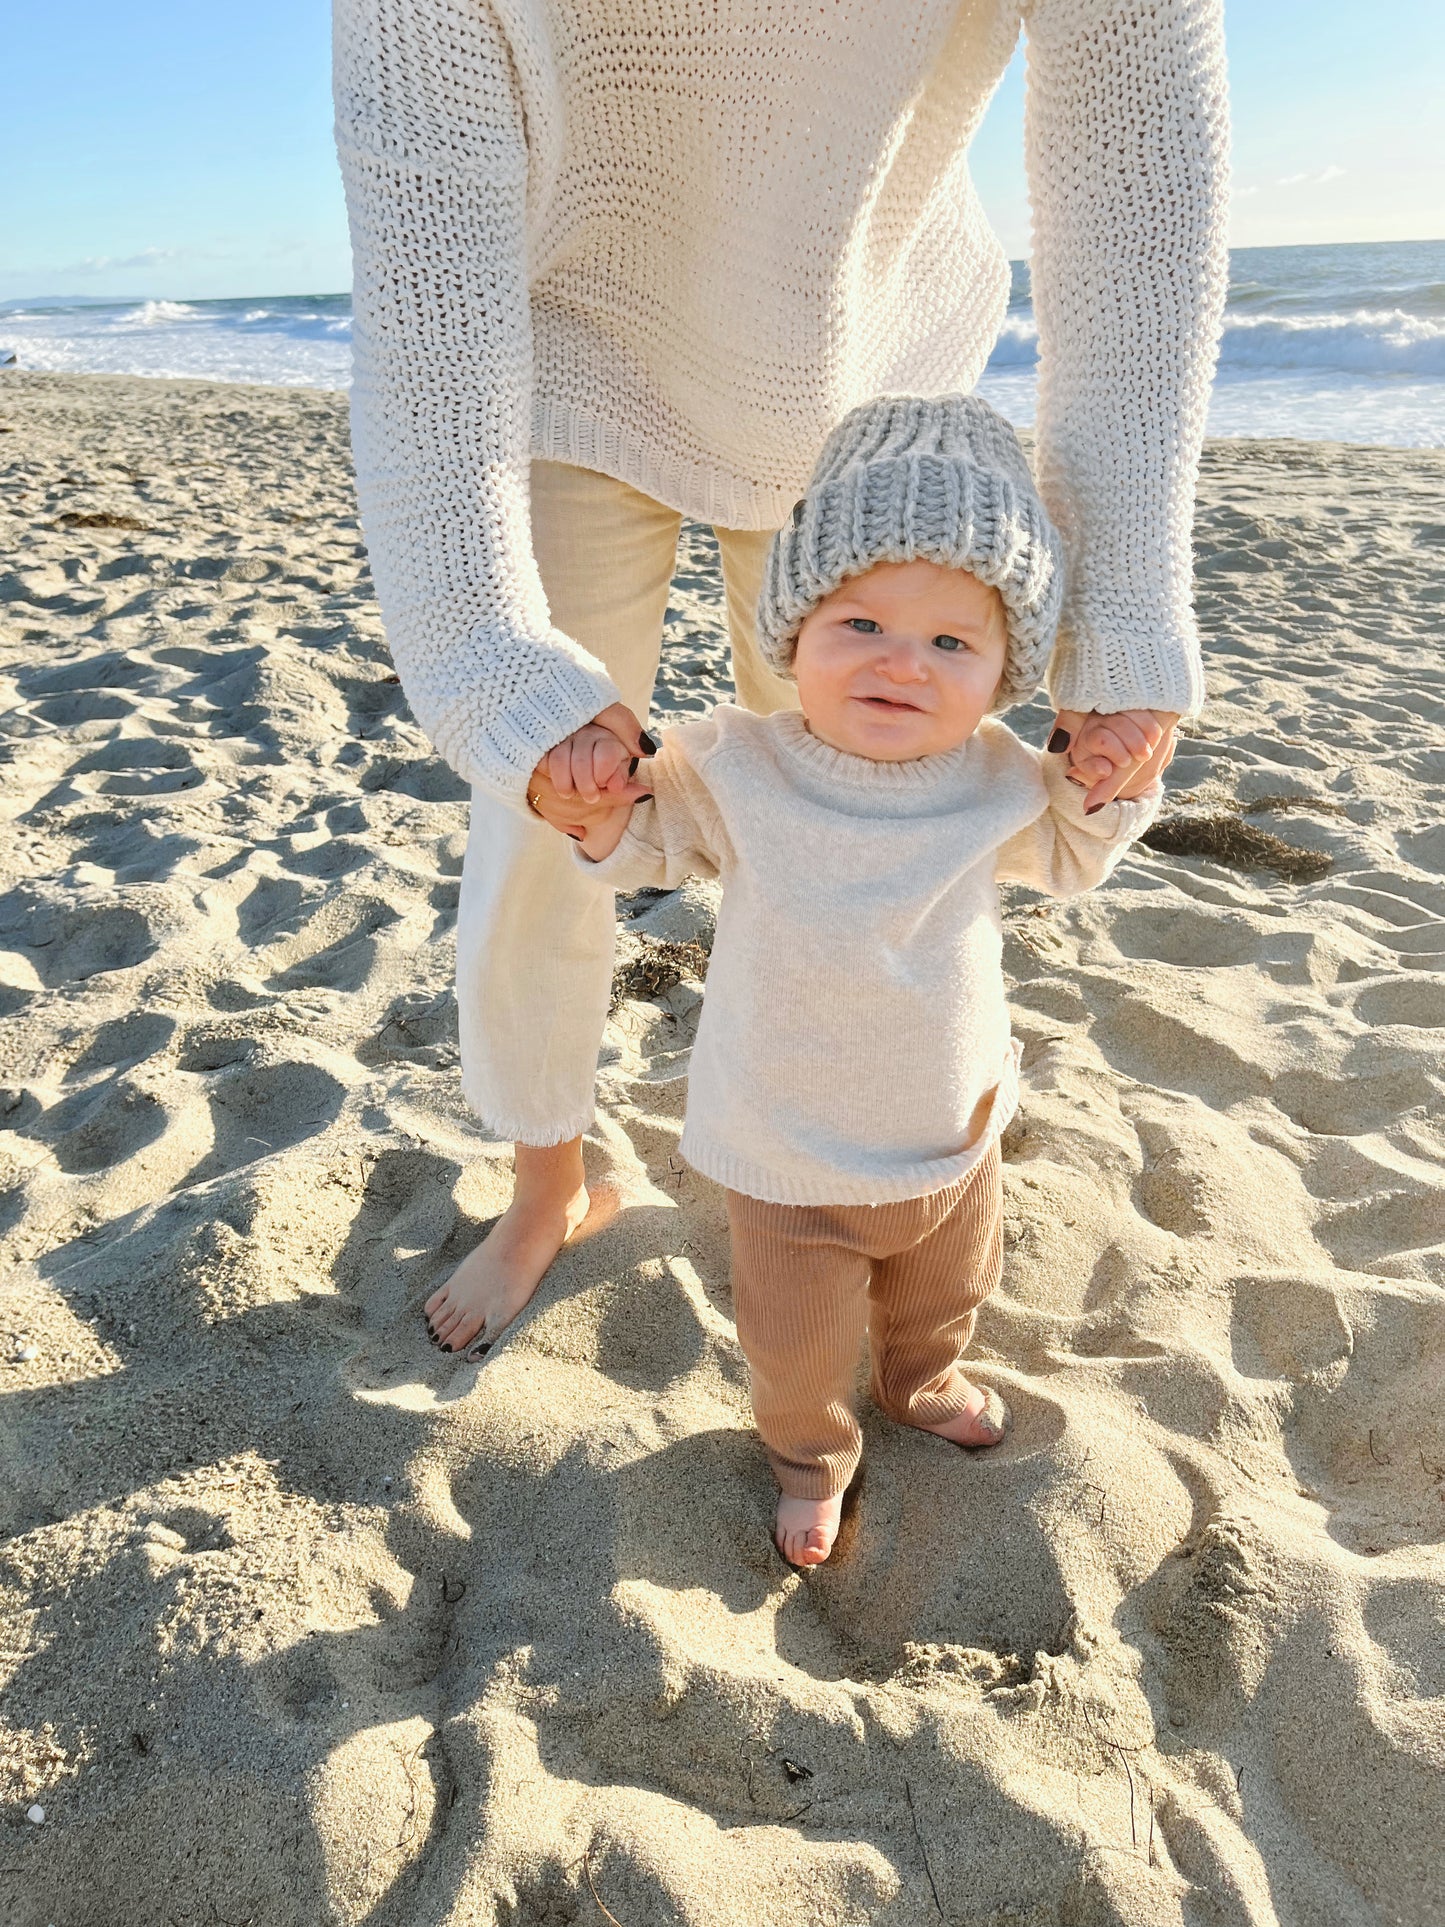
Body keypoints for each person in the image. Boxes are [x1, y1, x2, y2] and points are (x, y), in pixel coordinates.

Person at [332, 0, 1228, 1355]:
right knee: (543, 816)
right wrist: (486, 653)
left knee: (877, 823)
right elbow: (425, 266)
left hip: (870, 376)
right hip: (564, 357)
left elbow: (1138, 183)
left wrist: (1118, 609)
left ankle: (872, 1167)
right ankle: (547, 1183)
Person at [527, 395, 1167, 1564]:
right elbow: (638, 849)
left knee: (941, 1296)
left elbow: (1073, 857)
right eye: (860, 621)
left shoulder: (999, 778)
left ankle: (922, 1385)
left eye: (949, 643)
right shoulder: (738, 759)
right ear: (792, 630)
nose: (899, 663)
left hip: (947, 1130)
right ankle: (807, 1460)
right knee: (794, 1342)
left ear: (1000, 675)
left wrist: (1108, 781)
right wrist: (587, 801)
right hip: (785, 1147)